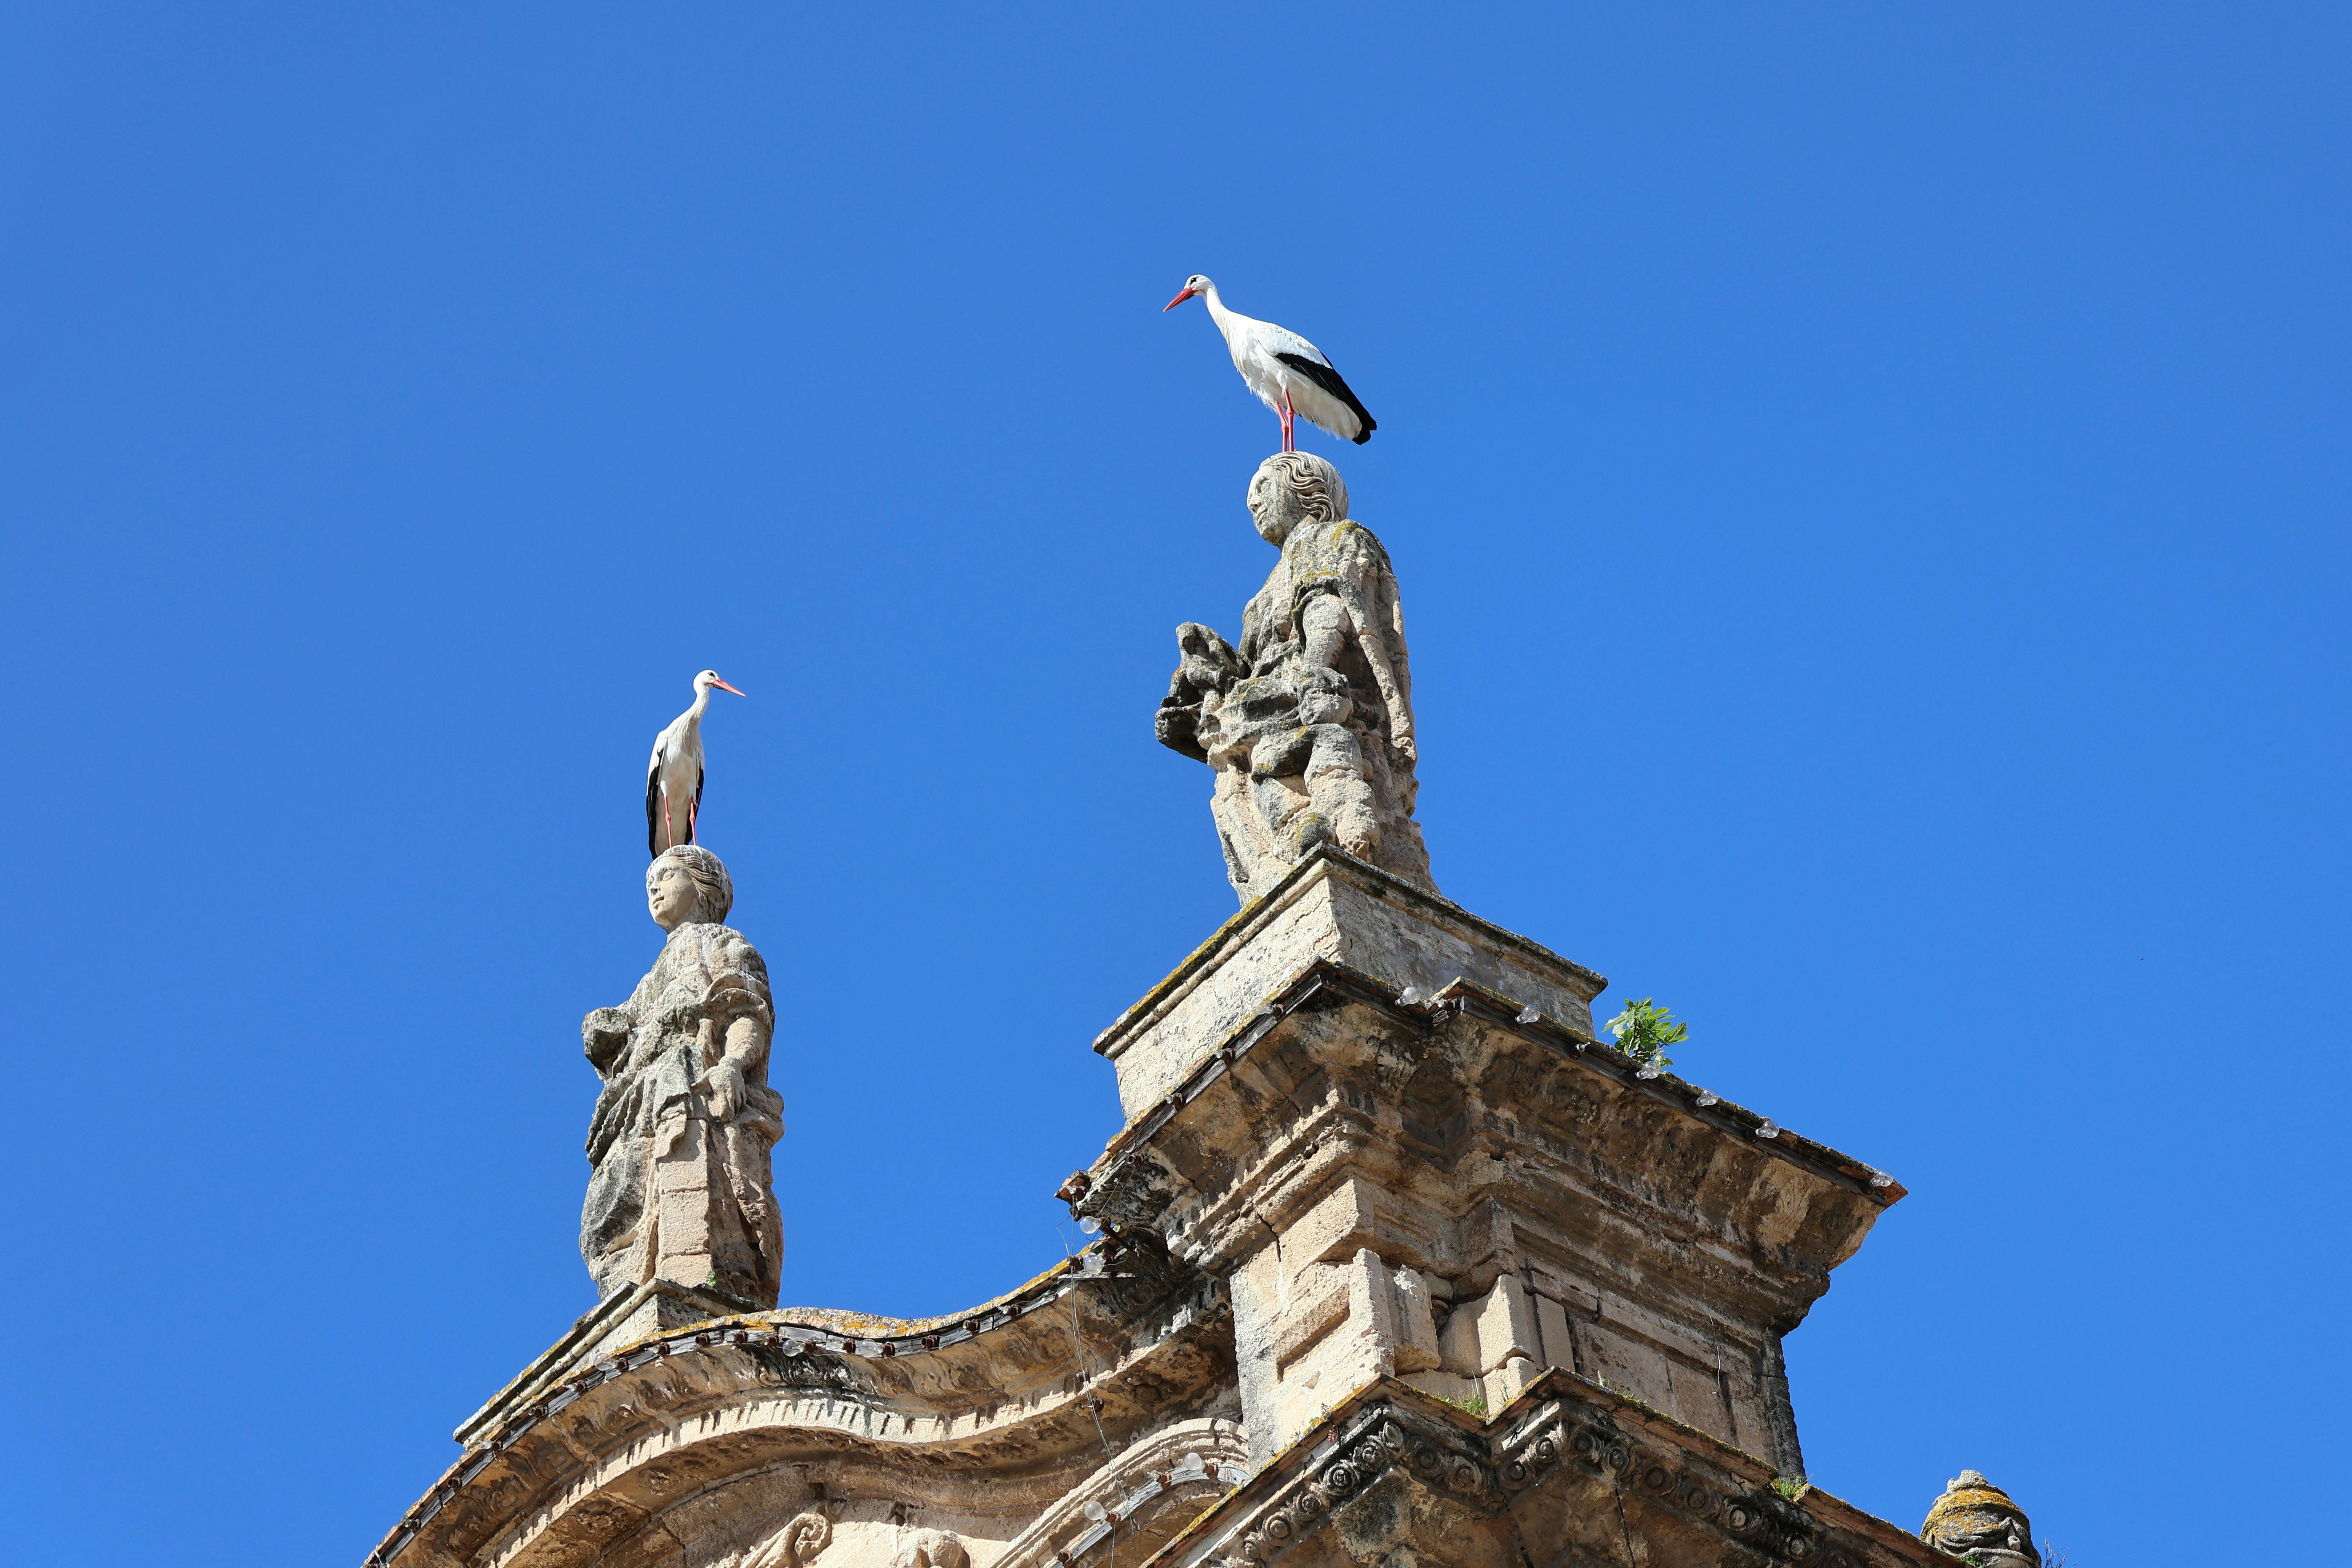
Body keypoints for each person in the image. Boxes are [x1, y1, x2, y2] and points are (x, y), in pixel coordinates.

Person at [1157, 451, 1436, 899]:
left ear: (1305, 487)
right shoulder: (1262, 592)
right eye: (1250, 497)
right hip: (1265, 702)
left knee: (1317, 744)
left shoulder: (1331, 538)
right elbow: (1250, 665)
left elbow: (1330, 603)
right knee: (1260, 768)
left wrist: (1316, 667)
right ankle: (1303, 829)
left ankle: (1344, 814)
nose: (1254, 504)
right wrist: (1210, 673)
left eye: (1263, 487)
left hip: (1312, 689)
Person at [579, 845, 783, 1305]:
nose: (654, 886)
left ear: (704, 888)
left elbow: (747, 1013)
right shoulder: (651, 978)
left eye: (668, 875)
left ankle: (686, 1267)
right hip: (640, 1100)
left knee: (685, 1161)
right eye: (650, 880)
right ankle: (627, 1281)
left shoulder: (724, 944)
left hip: (689, 1083)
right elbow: (626, 1038)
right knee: (609, 1205)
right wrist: (607, 1031)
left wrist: (732, 1064)